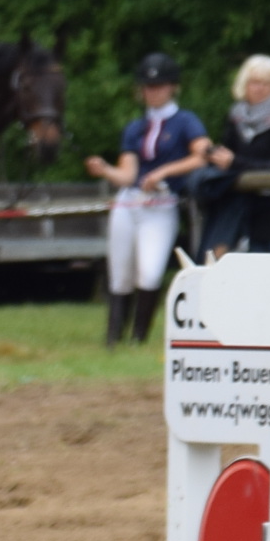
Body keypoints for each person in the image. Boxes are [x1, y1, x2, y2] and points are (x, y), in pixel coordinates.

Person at [83, 52, 209, 346]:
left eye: (160, 86)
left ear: (172, 87)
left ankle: (138, 337)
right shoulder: (135, 128)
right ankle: (113, 338)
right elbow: (128, 175)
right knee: (120, 271)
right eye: (148, 87)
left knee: (150, 272)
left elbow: (202, 154)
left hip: (162, 203)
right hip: (130, 202)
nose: (153, 92)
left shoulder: (185, 121)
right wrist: (105, 170)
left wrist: (164, 171)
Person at [200, 55, 270, 256]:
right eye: (255, 82)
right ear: (245, 84)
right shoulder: (235, 117)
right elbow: (228, 156)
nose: (260, 88)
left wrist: (234, 162)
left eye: (267, 83)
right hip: (245, 217)